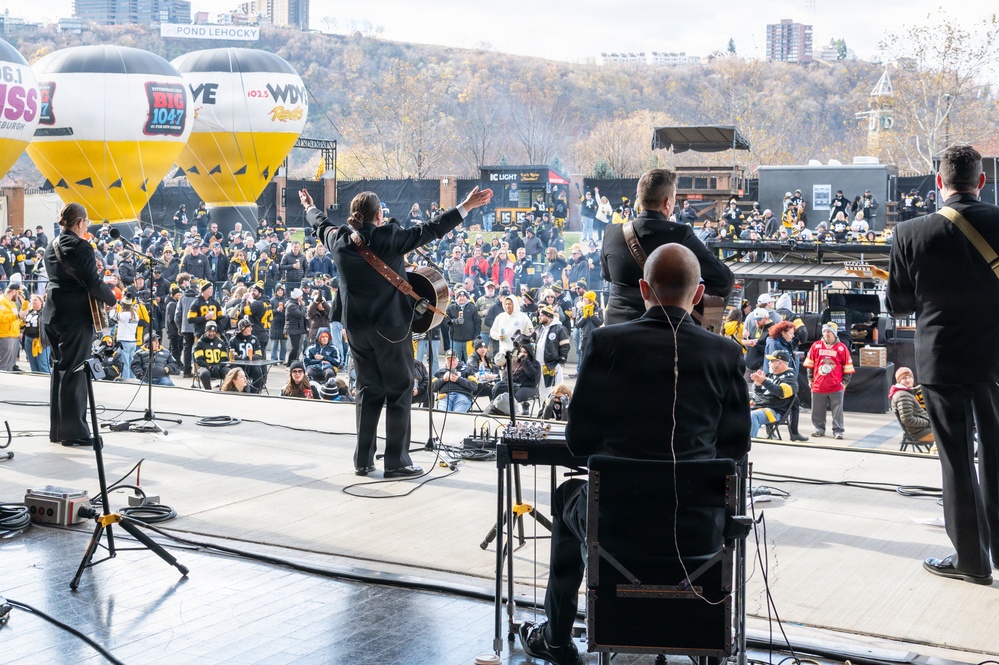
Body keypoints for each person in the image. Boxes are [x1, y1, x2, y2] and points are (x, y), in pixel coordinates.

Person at [518, 244, 750, 664]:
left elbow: (579, 443)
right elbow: (735, 448)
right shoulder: (727, 353)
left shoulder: (605, 342)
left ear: (643, 289)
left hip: (617, 529)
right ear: (699, 294)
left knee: (567, 496)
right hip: (698, 533)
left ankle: (557, 639)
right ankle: (710, 640)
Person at [301, 185, 493, 478]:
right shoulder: (389, 237)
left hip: (356, 328)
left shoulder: (338, 239)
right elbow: (430, 229)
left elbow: (320, 223)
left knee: (367, 389)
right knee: (400, 388)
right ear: (379, 215)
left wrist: (309, 206)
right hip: (389, 327)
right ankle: (396, 462)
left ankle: (363, 460)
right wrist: (465, 206)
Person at [886, 144, 999, 585]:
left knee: (956, 459)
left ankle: (971, 560)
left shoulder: (910, 232)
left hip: (941, 357)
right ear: (981, 181)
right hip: (995, 358)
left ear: (939, 182)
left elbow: (898, 304)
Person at [600, 168, 734, 325]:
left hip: (617, 328)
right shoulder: (680, 235)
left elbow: (607, 276)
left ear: (640, 199)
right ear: (667, 202)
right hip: (666, 329)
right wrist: (689, 310)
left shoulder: (612, 232)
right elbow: (724, 279)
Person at [43, 203, 118, 446]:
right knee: (75, 373)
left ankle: (58, 431)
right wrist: (112, 299)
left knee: (60, 371)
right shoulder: (82, 246)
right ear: (79, 222)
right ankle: (74, 433)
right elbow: (93, 282)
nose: (87, 226)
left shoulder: (51, 245)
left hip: (52, 314)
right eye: (86, 222)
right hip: (75, 317)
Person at [803, 322, 854, 439]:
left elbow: (848, 367)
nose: (826, 334)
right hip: (818, 386)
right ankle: (819, 429)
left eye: (829, 332)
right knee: (817, 410)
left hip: (836, 386)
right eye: (825, 331)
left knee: (837, 411)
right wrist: (810, 380)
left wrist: (845, 383)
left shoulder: (842, 348)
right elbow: (810, 365)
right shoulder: (815, 346)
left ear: (834, 334)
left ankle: (838, 431)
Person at [749, 350, 798, 437]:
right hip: (760, 406)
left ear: (779, 363)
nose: (769, 363)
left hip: (774, 411)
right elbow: (759, 392)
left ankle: (748, 442)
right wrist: (757, 384)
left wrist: (764, 381)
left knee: (753, 416)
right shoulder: (770, 375)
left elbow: (781, 392)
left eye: (772, 361)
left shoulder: (789, 378)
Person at [889, 367, 934, 446]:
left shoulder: (906, 393)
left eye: (910, 377)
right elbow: (907, 420)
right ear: (899, 381)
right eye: (904, 378)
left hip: (921, 431)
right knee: (949, 436)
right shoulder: (903, 396)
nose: (908, 380)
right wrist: (928, 422)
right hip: (920, 433)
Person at [193, 320, 229, 389]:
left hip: (218, 367)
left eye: (213, 331)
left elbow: (224, 358)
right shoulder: (200, 343)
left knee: (229, 372)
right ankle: (208, 390)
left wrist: (218, 366)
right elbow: (199, 360)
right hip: (205, 367)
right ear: (206, 331)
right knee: (204, 374)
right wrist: (209, 366)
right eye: (209, 331)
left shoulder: (220, 342)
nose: (211, 333)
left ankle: (224, 389)